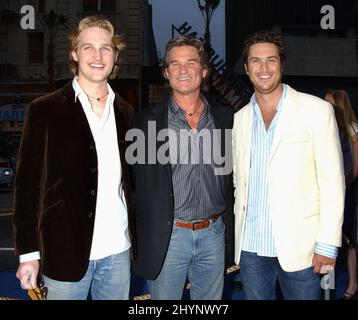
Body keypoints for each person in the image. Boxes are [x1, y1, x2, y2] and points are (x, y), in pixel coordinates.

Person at [12, 16, 135, 300]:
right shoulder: (44, 109)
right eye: (88, 47)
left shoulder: (126, 111)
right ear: (74, 53)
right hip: (63, 252)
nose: (97, 55)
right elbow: (27, 187)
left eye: (105, 48)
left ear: (115, 55)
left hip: (118, 253)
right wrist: (28, 254)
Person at [232, 30, 345, 300]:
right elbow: (239, 181)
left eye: (271, 60)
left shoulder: (316, 110)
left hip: (302, 249)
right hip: (251, 249)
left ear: (282, 65)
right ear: (246, 68)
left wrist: (328, 244)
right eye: (255, 61)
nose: (264, 68)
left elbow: (332, 182)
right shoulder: (240, 119)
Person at [131, 35, 234, 300]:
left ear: (204, 71)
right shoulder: (145, 122)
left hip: (214, 234)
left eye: (191, 62)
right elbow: (136, 185)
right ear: (166, 72)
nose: (183, 69)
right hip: (169, 237)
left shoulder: (226, 119)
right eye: (175, 64)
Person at [325, 89, 358, 299]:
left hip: (349, 192)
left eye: (329, 103)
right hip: (333, 192)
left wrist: (341, 186)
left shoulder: (352, 129)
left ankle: (351, 284)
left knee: (351, 240)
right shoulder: (327, 128)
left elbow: (355, 166)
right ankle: (327, 286)